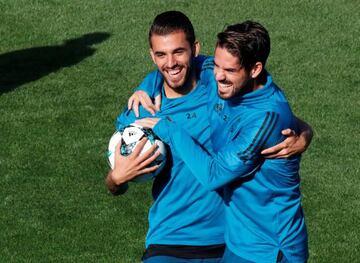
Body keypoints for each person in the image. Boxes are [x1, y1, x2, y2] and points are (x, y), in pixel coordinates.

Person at [107, 11, 311, 262]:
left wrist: (304, 133)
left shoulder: (228, 91)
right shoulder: (143, 110)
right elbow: (115, 180)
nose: (170, 63)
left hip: (248, 245)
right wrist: (116, 179)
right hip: (173, 240)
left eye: (178, 52)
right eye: (161, 54)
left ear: (194, 50)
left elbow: (266, 117)